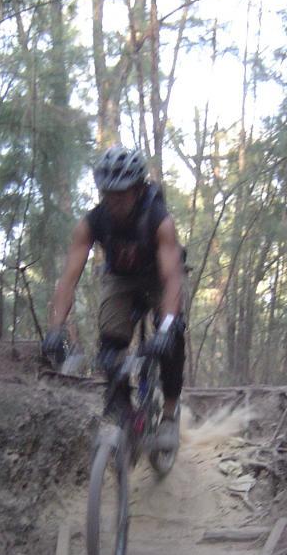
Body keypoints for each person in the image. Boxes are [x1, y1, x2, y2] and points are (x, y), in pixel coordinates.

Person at [42, 144, 186, 452]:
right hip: (120, 279)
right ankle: (124, 412)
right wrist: (55, 329)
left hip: (158, 278)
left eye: (121, 193)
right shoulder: (92, 223)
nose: (114, 201)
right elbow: (68, 279)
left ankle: (170, 415)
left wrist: (168, 325)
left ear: (137, 188)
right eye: (108, 193)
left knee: (172, 336)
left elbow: (172, 277)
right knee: (109, 347)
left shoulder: (160, 220)